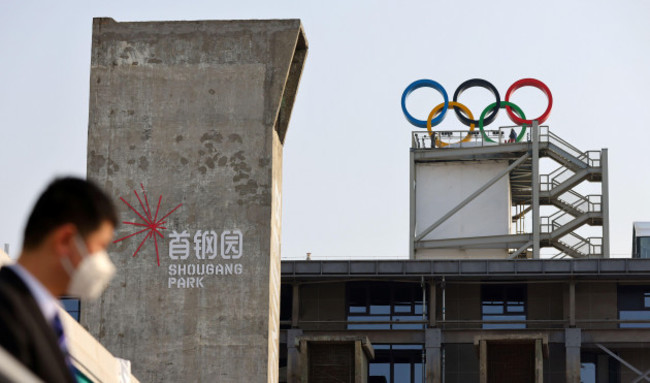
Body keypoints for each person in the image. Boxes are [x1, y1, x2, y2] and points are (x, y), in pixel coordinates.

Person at [0, 177, 118, 382]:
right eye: (101, 246)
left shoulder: (48, 321)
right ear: (65, 240)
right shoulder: (6, 309)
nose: (105, 263)